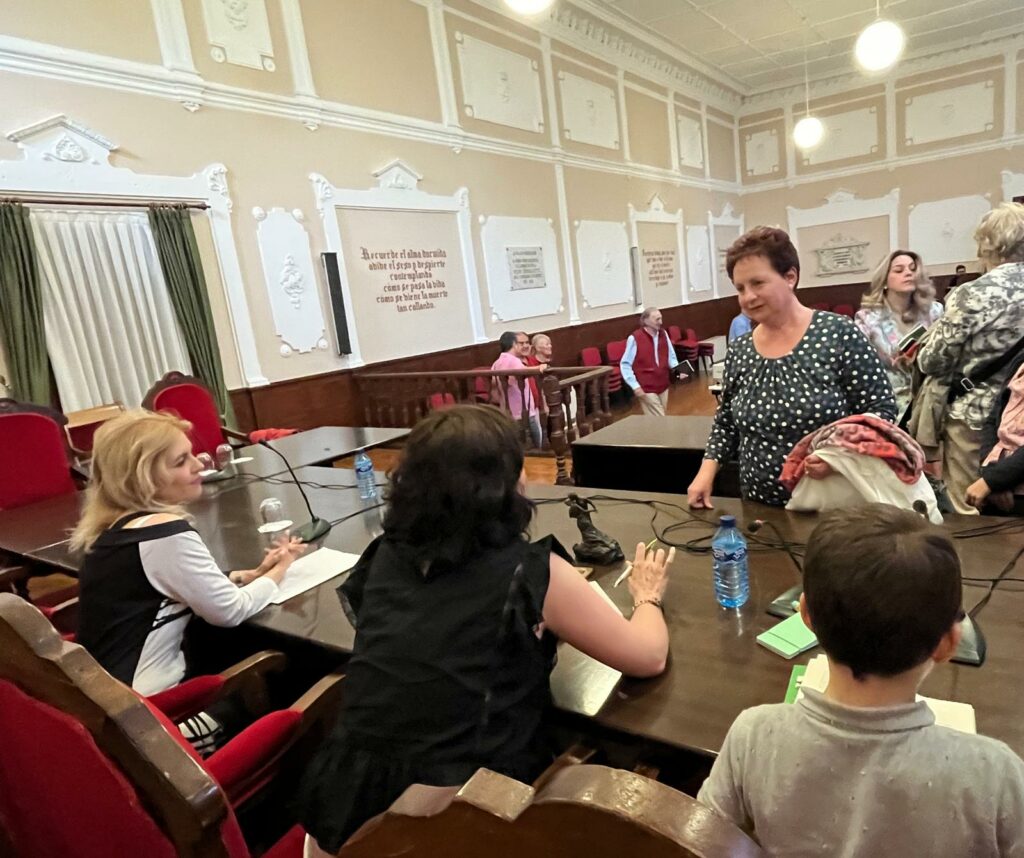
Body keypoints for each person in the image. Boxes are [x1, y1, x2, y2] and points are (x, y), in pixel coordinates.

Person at [297, 406, 674, 854]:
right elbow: (648, 657)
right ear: (504, 489)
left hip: (346, 813)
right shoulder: (530, 572)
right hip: (453, 821)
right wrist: (647, 596)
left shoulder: (384, 555)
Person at [698, 504, 1024, 856]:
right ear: (948, 644)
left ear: (806, 615)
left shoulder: (752, 735)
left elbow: (700, 840)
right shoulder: (996, 775)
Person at [73, 410, 305, 697]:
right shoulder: (164, 532)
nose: (198, 465)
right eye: (181, 461)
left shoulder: (115, 528)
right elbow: (230, 611)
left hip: (103, 699)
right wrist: (280, 570)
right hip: (152, 716)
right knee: (296, 667)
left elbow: (154, 589)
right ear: (143, 477)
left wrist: (247, 575)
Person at [687, 227, 896, 508]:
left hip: (831, 506)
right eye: (740, 288)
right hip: (758, 507)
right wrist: (705, 473)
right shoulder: (741, 349)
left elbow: (880, 412)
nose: (748, 297)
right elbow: (726, 423)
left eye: (758, 283)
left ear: (790, 277)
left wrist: (837, 458)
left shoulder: (838, 334)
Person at [917, 202, 1024, 515]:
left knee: (970, 509)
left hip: (974, 415)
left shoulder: (973, 293)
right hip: (1018, 413)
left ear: (987, 244)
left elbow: (933, 360)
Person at [854, 249, 942, 417]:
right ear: (885, 280)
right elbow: (859, 367)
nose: (908, 273)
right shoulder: (867, 318)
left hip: (929, 398)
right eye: (899, 270)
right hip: (890, 401)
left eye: (912, 268)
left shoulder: (934, 311)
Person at [965, 345, 1024, 515]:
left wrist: (992, 481)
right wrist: (991, 472)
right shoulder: (1020, 359)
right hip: (1000, 481)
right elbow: (994, 418)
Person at [620, 307, 679, 417]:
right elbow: (625, 364)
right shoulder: (635, 338)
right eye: (657, 320)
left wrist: (679, 370)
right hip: (646, 387)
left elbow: (671, 356)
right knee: (660, 418)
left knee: (656, 420)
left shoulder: (663, 334)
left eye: (661, 319)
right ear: (645, 321)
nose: (660, 322)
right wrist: (635, 386)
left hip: (663, 384)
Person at [491, 330, 544, 447]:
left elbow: (494, 383)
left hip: (508, 411)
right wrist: (540, 367)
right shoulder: (513, 360)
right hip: (522, 412)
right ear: (514, 344)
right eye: (520, 343)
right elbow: (522, 372)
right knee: (536, 445)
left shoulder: (496, 363)